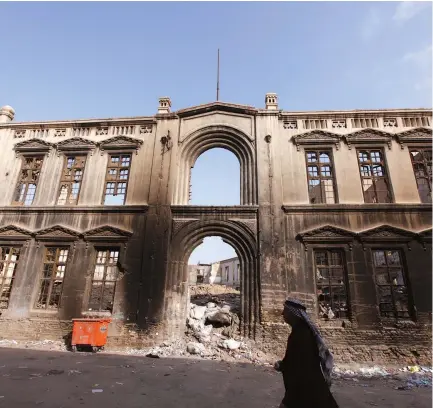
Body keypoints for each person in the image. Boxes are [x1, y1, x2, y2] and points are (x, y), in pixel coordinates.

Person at [275, 298, 339, 408]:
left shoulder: (302, 334)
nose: (282, 313)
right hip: (307, 385)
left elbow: (301, 364)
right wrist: (283, 365)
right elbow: (295, 359)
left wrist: (284, 366)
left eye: (285, 311)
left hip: (305, 386)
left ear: (293, 313)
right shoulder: (299, 331)